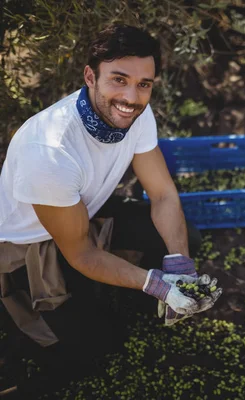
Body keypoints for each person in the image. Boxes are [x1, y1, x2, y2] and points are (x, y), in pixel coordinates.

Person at [0, 24, 223, 352]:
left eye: (143, 84)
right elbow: (82, 253)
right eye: (119, 79)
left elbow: (162, 194)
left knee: (186, 236)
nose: (131, 98)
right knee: (97, 345)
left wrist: (180, 264)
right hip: (32, 243)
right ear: (90, 77)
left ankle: (146, 305)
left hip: (85, 210)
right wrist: (155, 283)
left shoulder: (136, 115)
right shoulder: (50, 153)